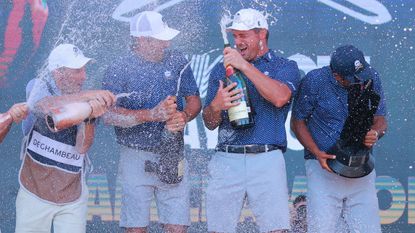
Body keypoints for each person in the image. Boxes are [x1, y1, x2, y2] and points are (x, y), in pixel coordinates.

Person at [203, 8, 301, 233]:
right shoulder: (221, 70)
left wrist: (243, 66)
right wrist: (216, 106)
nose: (238, 42)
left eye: (244, 35)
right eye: (235, 36)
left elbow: (279, 97)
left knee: (277, 229)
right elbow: (209, 122)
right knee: (218, 229)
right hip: (226, 158)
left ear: (261, 35)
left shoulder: (284, 66)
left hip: (267, 158)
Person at [102, 11, 201, 233]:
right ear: (142, 40)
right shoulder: (119, 68)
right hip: (135, 154)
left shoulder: (178, 60)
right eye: (160, 39)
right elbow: (108, 115)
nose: (167, 44)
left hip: (172, 152)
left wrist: (183, 117)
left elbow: (194, 101)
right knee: (136, 227)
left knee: (177, 226)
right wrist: (152, 114)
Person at [16, 43, 116, 233]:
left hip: (72, 196)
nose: (84, 76)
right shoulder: (38, 86)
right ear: (58, 73)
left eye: (84, 70)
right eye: (78, 70)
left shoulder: (84, 100)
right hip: (33, 193)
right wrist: (89, 96)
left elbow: (82, 147)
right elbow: (47, 106)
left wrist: (89, 116)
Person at [291, 45, 387, 233]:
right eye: (352, 77)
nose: (359, 80)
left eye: (360, 73)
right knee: (321, 229)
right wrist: (316, 152)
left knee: (369, 229)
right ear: (336, 75)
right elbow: (297, 122)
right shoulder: (315, 81)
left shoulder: (372, 76)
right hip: (323, 166)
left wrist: (375, 133)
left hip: (361, 166)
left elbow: (381, 120)